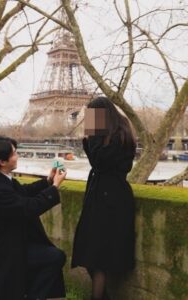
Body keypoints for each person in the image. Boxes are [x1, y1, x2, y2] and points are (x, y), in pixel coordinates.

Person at [0, 135, 67, 300]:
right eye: (14, 154)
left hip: (10, 243)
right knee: (53, 257)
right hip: (1, 251)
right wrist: (54, 187)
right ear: (2, 162)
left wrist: (47, 181)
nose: (17, 156)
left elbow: (23, 192)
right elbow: (27, 208)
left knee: (54, 257)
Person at [71, 97, 136, 300]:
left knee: (97, 257)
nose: (89, 120)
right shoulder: (119, 132)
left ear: (101, 116)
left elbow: (99, 162)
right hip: (105, 197)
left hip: (109, 200)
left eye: (92, 116)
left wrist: (91, 138)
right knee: (94, 254)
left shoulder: (115, 137)